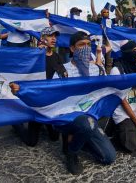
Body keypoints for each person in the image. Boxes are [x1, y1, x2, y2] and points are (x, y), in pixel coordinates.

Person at [10, 31, 117, 175]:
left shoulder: (97, 69)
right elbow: (49, 93)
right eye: (81, 45)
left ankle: (77, 139)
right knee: (84, 124)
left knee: (109, 157)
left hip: (90, 118)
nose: (85, 48)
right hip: (68, 117)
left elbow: (109, 88)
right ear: (72, 49)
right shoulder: (62, 71)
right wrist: (22, 89)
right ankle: (71, 153)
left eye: (88, 45)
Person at [14, 27, 65, 147]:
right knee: (31, 142)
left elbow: (63, 75)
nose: (54, 38)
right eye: (50, 36)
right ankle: (17, 125)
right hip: (35, 101)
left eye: (55, 36)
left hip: (49, 102)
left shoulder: (57, 56)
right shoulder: (34, 55)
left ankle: (44, 123)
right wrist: (37, 53)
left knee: (54, 138)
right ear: (42, 39)